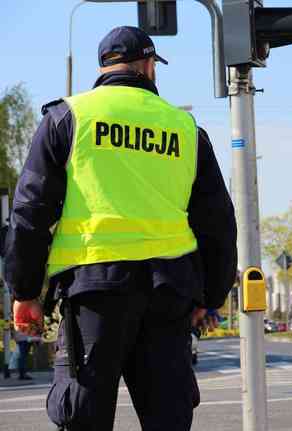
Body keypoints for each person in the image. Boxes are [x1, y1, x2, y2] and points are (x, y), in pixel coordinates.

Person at [3, 26, 237, 431]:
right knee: (168, 419)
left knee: (84, 416)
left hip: (94, 292)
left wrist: (24, 291)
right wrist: (210, 296)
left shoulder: (67, 118)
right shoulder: (185, 130)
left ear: (102, 68)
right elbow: (217, 223)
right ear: (149, 66)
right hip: (168, 293)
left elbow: (30, 212)